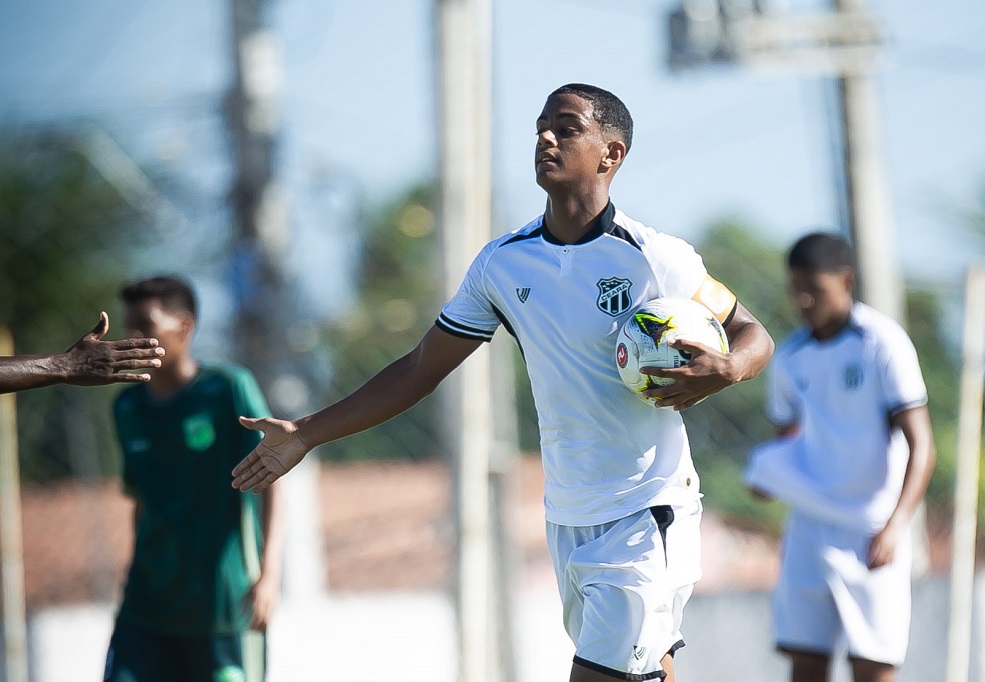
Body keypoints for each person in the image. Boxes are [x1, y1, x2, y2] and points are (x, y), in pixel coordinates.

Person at [232, 83, 775, 682]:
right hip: (568, 510)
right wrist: (307, 433)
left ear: (611, 154)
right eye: (542, 126)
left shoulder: (656, 258)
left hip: (649, 506)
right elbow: (420, 368)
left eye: (566, 128)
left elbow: (754, 334)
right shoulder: (503, 263)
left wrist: (728, 368)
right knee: (647, 671)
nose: (545, 137)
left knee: (600, 674)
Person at [745, 232, 936, 682]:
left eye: (816, 288)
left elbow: (921, 445)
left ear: (846, 280)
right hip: (810, 526)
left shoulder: (881, 343)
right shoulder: (790, 356)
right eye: (796, 288)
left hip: (871, 527)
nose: (804, 300)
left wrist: (895, 524)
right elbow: (786, 442)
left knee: (872, 665)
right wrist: (769, 475)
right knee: (805, 660)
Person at [104, 276, 285, 682]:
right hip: (146, 607)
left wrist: (269, 575)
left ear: (183, 326)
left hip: (223, 606)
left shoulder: (227, 390)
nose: (132, 338)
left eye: (146, 327)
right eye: (127, 327)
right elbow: (140, 499)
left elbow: (272, 482)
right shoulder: (127, 404)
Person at [0, 311, 164, 393]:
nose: (134, 334)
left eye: (145, 324)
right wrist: (67, 365)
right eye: (130, 325)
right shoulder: (127, 403)